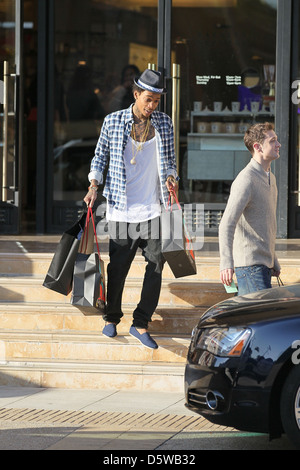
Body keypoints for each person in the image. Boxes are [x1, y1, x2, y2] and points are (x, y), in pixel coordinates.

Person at [83, 69, 178, 349]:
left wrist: (172, 177)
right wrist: (93, 185)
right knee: (119, 268)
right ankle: (111, 318)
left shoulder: (164, 123)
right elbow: (99, 157)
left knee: (157, 265)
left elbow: (170, 160)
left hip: (153, 208)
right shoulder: (113, 122)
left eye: (157, 101)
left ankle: (141, 323)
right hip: (122, 209)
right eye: (148, 99)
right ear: (136, 95)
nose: (152, 106)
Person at [219, 122, 281, 296]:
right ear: (258, 147)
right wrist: (226, 263)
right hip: (250, 268)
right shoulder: (246, 180)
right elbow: (226, 224)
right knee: (260, 320)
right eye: (273, 141)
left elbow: (266, 224)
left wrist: (273, 259)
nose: (278, 144)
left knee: (253, 321)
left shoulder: (271, 178)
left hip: (264, 266)